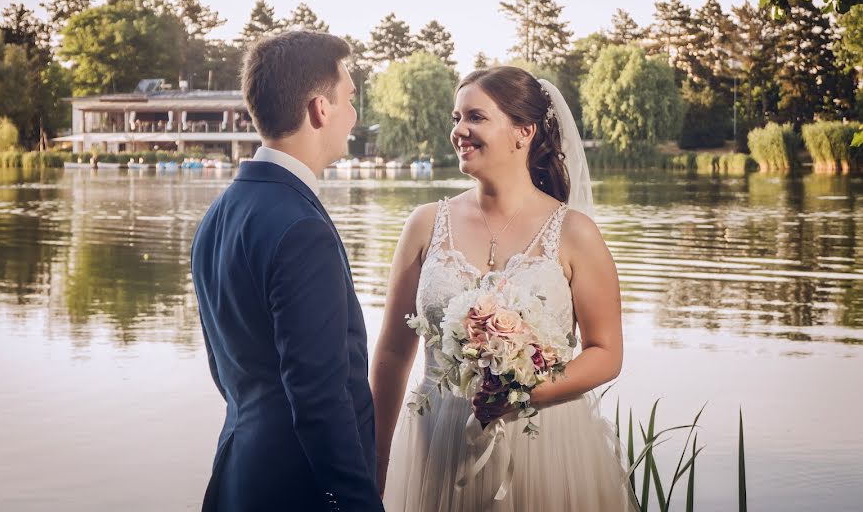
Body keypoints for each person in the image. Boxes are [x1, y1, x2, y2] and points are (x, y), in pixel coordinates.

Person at [371, 66, 637, 511]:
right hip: (437, 440)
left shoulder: (575, 233)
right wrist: (376, 458)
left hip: (544, 441)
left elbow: (606, 352)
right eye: (456, 118)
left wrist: (521, 395)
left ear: (524, 132)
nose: (459, 131)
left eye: (475, 117)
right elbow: (394, 353)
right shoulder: (423, 224)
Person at [191, 30, 384, 512]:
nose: (354, 116)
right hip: (297, 487)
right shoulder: (301, 228)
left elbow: (228, 369)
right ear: (320, 109)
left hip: (239, 472)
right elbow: (320, 399)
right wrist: (359, 503)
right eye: (349, 99)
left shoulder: (220, 214)